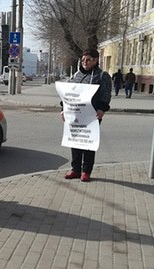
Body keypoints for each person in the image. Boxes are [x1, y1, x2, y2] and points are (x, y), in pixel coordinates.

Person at [61, 48, 111, 182]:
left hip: (92, 115)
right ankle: (75, 169)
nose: (85, 62)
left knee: (88, 143)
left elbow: (105, 95)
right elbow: (67, 94)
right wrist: (64, 109)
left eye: (88, 59)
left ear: (95, 60)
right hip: (75, 115)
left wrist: (102, 109)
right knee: (75, 142)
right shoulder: (76, 75)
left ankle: (86, 171)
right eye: (83, 59)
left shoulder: (102, 76)